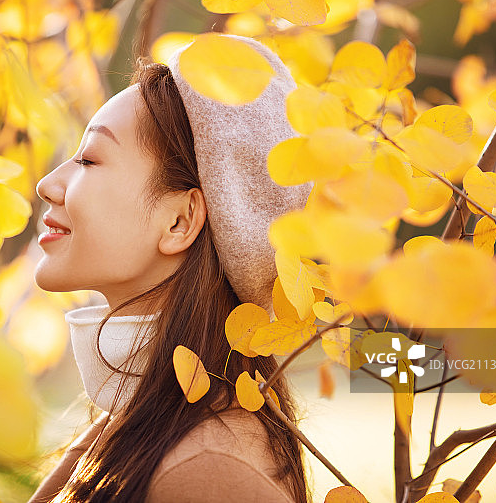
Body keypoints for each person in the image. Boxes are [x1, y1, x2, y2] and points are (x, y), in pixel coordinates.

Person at [31, 34, 313, 503]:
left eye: (89, 159)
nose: (47, 184)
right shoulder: (144, 421)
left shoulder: (208, 472)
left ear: (180, 222)